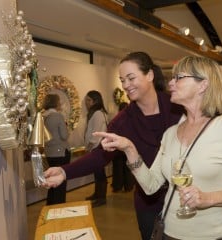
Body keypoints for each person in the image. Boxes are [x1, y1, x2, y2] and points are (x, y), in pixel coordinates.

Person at [95, 56, 222, 240]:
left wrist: (207, 199)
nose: (170, 84)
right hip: (169, 234)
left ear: (203, 85)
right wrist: (129, 149)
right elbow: (151, 186)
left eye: (178, 77)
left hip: (216, 235)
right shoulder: (170, 134)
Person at [42, 51, 185, 240]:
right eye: (122, 80)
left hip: (184, 198)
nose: (126, 85)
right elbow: (100, 155)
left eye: (131, 78)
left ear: (149, 75)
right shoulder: (124, 121)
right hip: (148, 202)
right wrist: (65, 171)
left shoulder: (177, 106)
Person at [42, 94, 71, 205]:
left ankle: (50, 204)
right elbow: (64, 136)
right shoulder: (58, 116)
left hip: (49, 153)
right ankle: (59, 205)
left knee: (51, 180)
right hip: (60, 152)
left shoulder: (43, 117)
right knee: (60, 181)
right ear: (56, 103)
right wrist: (66, 126)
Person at [84, 90, 108, 207]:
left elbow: (96, 133)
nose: (86, 103)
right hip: (95, 147)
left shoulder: (98, 113)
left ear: (95, 101)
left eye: (88, 100)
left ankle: (101, 197)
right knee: (97, 172)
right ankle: (97, 194)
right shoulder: (95, 113)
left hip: (97, 147)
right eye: (86, 100)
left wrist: (89, 146)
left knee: (100, 173)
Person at [111, 101, 135, 192]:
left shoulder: (117, 119)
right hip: (128, 146)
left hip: (118, 147)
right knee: (128, 168)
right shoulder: (133, 119)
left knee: (118, 167)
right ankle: (128, 186)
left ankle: (117, 186)